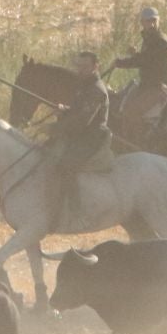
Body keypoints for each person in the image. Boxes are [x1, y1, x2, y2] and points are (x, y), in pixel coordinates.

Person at [46, 51, 112, 229]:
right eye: (79, 66)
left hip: (92, 138)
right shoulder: (84, 86)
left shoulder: (96, 89)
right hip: (80, 135)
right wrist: (65, 110)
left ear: (95, 67)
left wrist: (56, 128)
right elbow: (78, 110)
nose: (80, 70)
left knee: (65, 166)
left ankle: (78, 213)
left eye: (85, 67)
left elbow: (83, 121)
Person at [108, 7, 167, 129]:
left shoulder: (160, 41)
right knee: (122, 103)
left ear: (158, 21)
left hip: (159, 87)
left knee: (132, 112)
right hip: (148, 84)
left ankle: (136, 142)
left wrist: (120, 63)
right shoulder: (149, 39)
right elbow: (148, 60)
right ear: (142, 23)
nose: (152, 24)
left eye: (154, 20)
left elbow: (144, 61)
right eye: (148, 21)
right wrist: (135, 55)